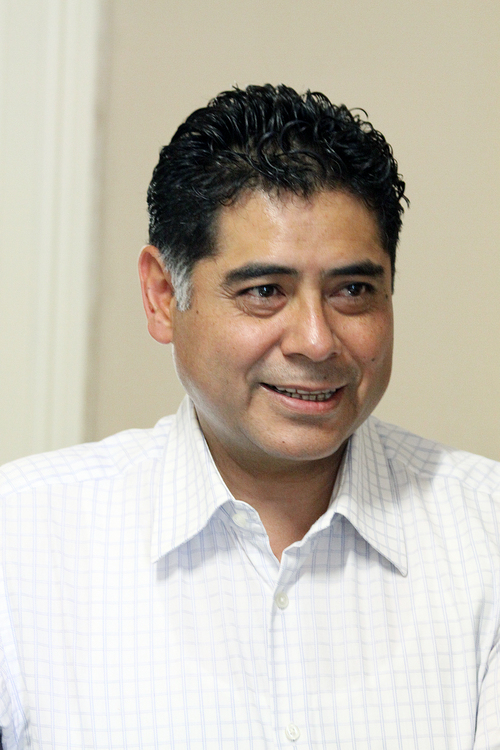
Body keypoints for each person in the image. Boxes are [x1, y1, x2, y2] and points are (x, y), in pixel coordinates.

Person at [0, 84, 499, 749]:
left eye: (353, 290)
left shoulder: (487, 537)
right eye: (265, 291)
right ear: (162, 295)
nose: (316, 341)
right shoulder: (22, 544)